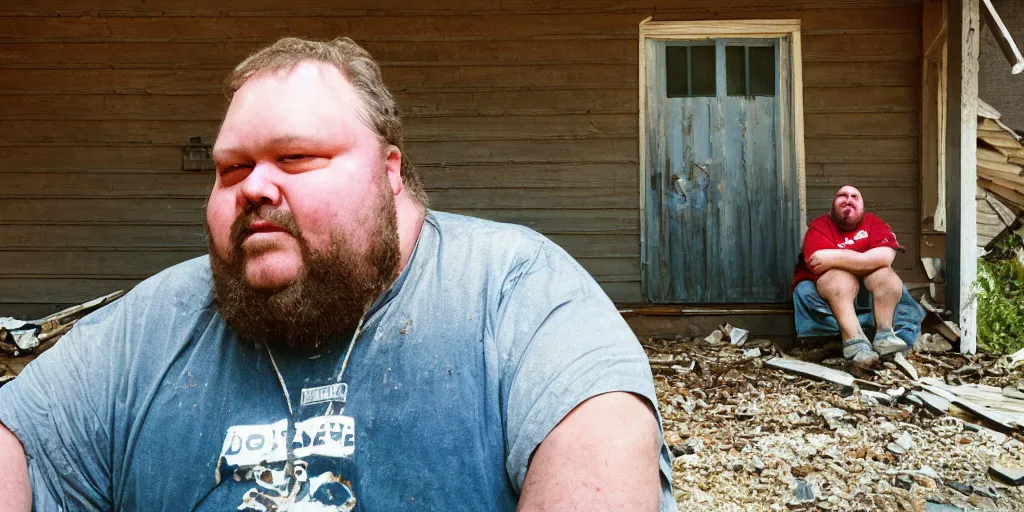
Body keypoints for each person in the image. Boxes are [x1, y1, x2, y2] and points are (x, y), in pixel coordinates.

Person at [0, 37, 676, 512]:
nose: (254, 187)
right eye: (232, 168)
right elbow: (15, 436)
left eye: (295, 158)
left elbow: (603, 445)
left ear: (389, 174)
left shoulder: (518, 295)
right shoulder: (147, 330)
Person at [792, 185, 925, 369]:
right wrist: (866, 260)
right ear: (832, 206)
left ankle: (885, 335)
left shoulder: (874, 223)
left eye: (855, 196)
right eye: (842, 195)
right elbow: (816, 263)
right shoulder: (819, 226)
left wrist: (835, 257)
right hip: (827, 300)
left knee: (885, 275)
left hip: (870, 298)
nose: (848, 199)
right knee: (838, 279)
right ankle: (854, 340)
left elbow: (885, 257)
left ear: (862, 206)